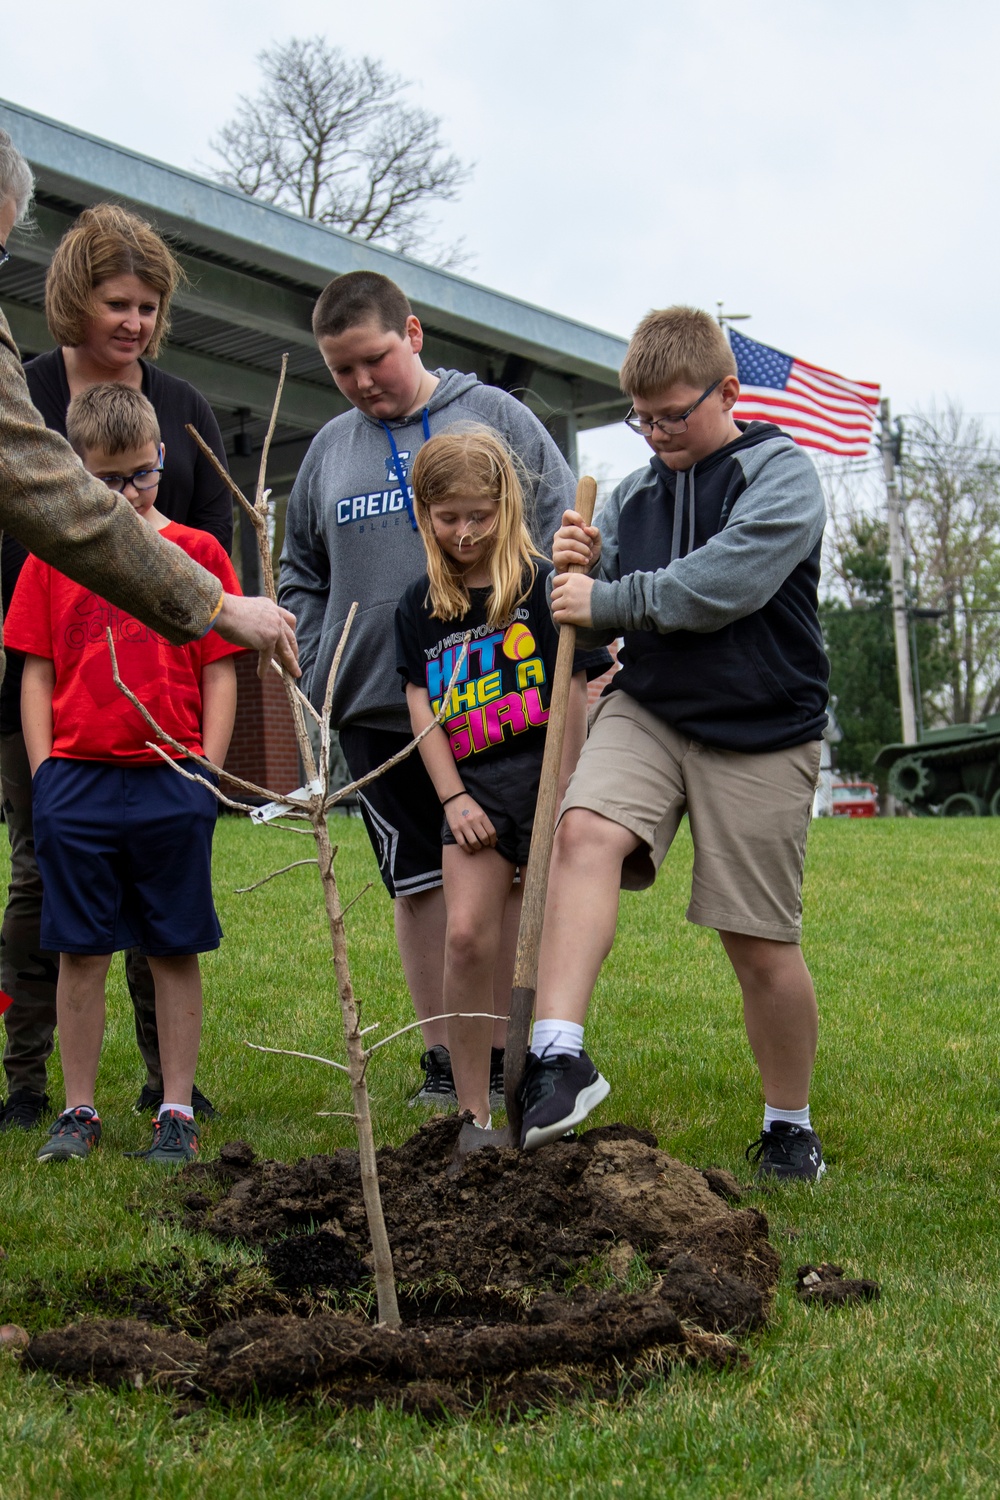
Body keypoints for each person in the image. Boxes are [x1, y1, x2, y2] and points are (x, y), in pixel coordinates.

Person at [518, 306, 828, 1179]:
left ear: (727, 391)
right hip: (651, 707)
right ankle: (558, 1055)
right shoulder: (631, 497)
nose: (654, 435)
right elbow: (588, 603)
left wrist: (607, 599)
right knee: (584, 832)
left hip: (761, 729)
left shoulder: (782, 475)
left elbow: (724, 583)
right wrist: (574, 567)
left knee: (757, 940)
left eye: (672, 416)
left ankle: (787, 1124)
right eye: (640, 419)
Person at [279, 271, 579, 1105]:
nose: (363, 381)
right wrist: (315, 650)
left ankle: (519, 1059)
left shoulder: (497, 418)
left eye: (374, 357)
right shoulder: (329, 449)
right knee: (418, 886)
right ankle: (446, 1063)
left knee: (501, 884)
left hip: (497, 705)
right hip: (379, 705)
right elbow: (298, 566)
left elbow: (567, 527)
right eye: (343, 370)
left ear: (411, 333)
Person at [2, 201, 234, 1132]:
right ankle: (29, 1081)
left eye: (147, 304)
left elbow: (211, 552)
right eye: (115, 302)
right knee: (38, 880)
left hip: (159, 713)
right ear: (73, 301)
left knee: (157, 887)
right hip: (50, 683)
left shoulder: (182, 409)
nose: (133, 321)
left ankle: (163, 1083)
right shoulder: (24, 393)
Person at [395, 427, 595, 1126]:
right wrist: (451, 797)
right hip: (472, 795)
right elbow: (420, 701)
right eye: (448, 518)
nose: (465, 532)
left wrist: (565, 791)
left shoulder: (542, 587)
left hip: (541, 786)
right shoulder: (419, 606)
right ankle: (472, 1112)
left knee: (525, 945)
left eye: (479, 516)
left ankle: (528, 1095)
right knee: (466, 937)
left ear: (505, 506)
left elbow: (578, 684)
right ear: (424, 515)